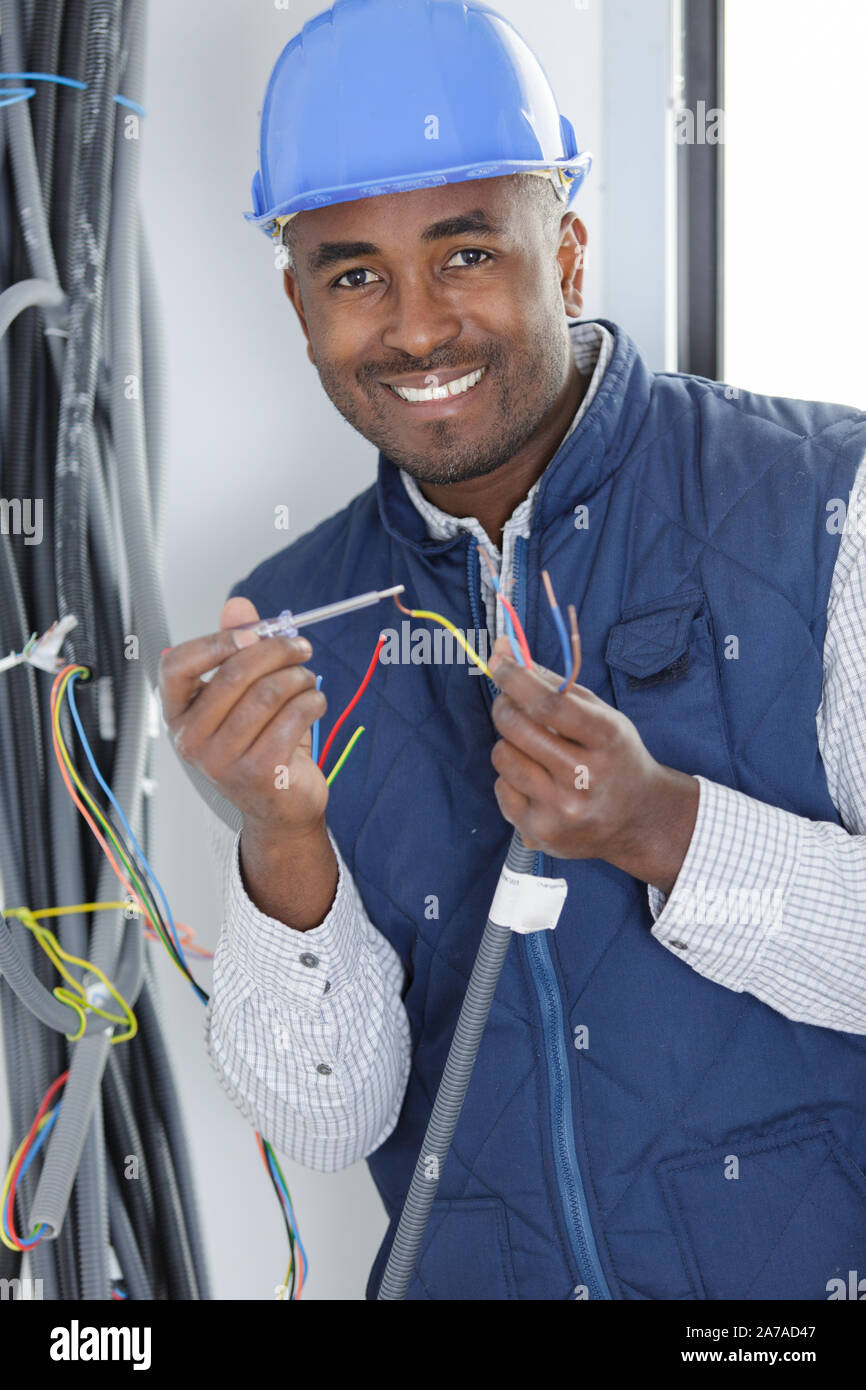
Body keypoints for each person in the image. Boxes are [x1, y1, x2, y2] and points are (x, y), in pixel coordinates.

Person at [159, 0, 866, 1300]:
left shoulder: (823, 504)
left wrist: (665, 828)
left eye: (466, 251)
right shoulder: (290, 616)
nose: (417, 327)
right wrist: (281, 842)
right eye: (353, 273)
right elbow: (331, 1120)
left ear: (572, 253)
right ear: (297, 300)